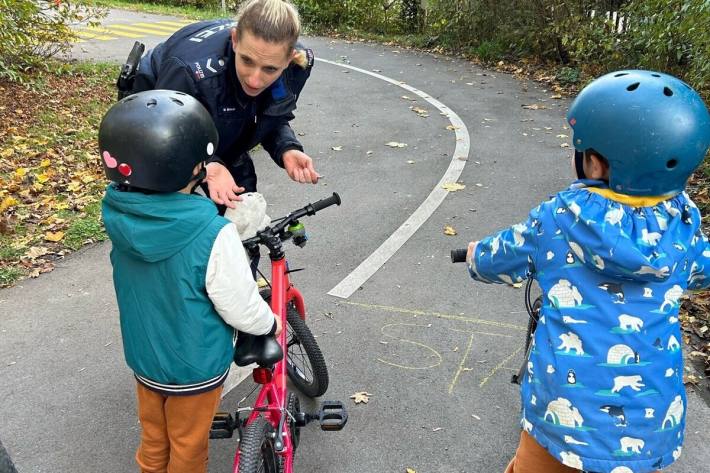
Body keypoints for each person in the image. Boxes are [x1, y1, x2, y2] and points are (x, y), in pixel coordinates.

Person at [464, 70, 710, 473]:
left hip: (563, 425)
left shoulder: (558, 219)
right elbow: (703, 270)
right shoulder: (684, 230)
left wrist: (476, 257)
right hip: (651, 425)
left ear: (594, 164)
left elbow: (498, 258)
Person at [99, 89, 282, 473]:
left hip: (145, 360)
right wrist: (269, 324)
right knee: (187, 448)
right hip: (194, 366)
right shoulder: (212, 234)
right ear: (193, 168)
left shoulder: (118, 219)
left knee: (154, 440)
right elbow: (239, 305)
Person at [130, 0, 318, 210]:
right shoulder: (190, 71)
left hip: (220, 107)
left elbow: (271, 115)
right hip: (158, 107)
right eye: (247, 61)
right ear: (235, 39)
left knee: (242, 204)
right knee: (161, 206)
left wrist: (286, 147)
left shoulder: (298, 66)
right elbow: (169, 135)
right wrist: (208, 164)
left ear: (288, 59)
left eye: (270, 69)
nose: (254, 81)